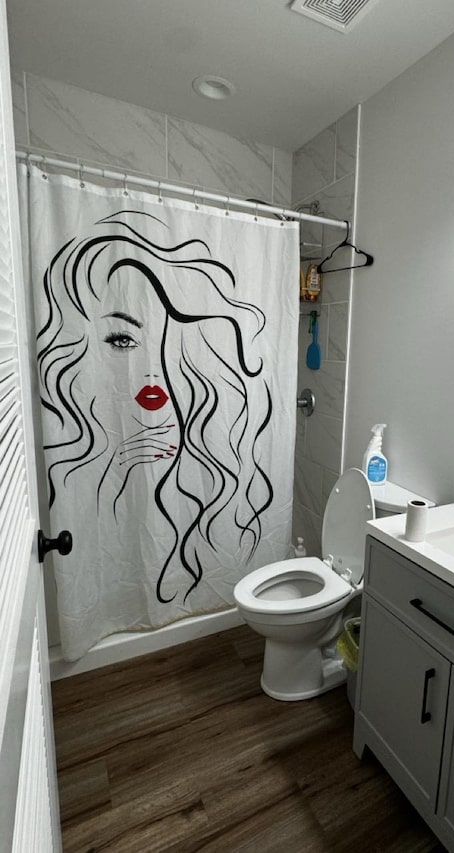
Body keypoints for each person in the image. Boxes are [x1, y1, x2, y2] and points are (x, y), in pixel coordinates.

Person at [37, 209, 275, 605]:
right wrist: (115, 465)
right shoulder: (72, 457)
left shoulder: (214, 442)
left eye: (175, 340)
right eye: (121, 339)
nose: (153, 369)